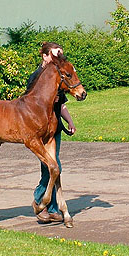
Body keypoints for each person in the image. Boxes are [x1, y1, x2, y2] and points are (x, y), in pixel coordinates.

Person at [26, 42, 76, 224]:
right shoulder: (36, 77)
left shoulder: (57, 76)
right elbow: (27, 103)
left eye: (60, 55)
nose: (58, 59)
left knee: (53, 168)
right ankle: (40, 202)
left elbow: (61, 104)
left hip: (54, 126)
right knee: (53, 167)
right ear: (45, 56)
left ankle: (53, 208)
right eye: (55, 56)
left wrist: (69, 121)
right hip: (39, 129)